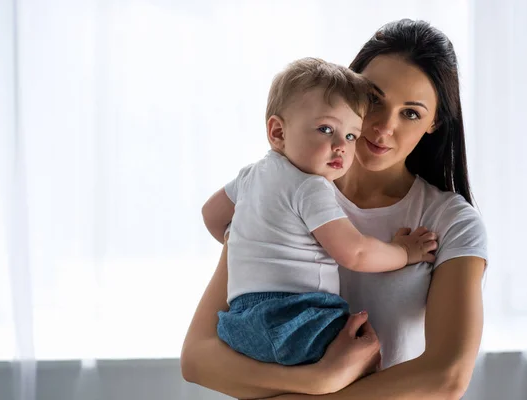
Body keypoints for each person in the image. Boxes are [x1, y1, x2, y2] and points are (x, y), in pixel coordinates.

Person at [181, 18, 488, 400]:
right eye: (375, 100)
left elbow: (447, 377)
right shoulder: (278, 189)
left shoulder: (451, 222)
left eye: (410, 113)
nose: (383, 127)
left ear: (434, 123)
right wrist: (319, 381)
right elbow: (197, 359)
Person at [201, 57, 438, 367]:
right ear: (278, 132)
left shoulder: (251, 175)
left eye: (351, 135)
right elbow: (356, 254)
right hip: (299, 319)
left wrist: (253, 239)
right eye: (326, 129)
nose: (341, 146)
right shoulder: (311, 187)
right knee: (367, 358)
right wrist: (404, 251)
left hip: (241, 323)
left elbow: (211, 215)